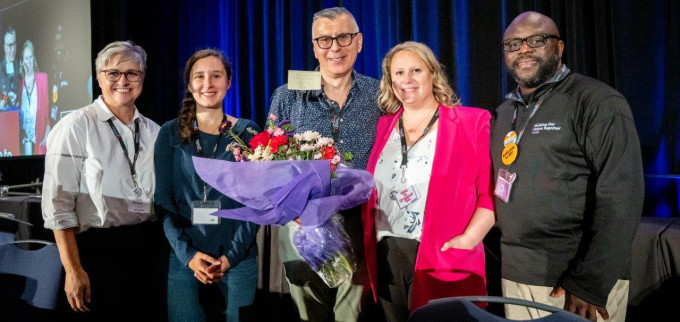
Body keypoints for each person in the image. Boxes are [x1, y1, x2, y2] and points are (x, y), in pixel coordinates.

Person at [491, 11, 644, 322]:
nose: (524, 49)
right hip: (517, 275)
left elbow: (622, 196)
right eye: (513, 44)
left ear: (559, 48)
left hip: (575, 282)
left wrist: (589, 282)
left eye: (536, 40)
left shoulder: (597, 101)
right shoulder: (506, 111)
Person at [361, 41, 495, 321]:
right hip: (388, 253)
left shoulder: (472, 122)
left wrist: (469, 239)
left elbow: (489, 195)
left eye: (415, 70)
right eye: (398, 73)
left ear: (433, 74)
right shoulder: (384, 125)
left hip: (443, 255)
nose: (406, 80)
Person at [268, 6, 382, 322]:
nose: (334, 47)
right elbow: (269, 162)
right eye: (324, 40)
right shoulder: (288, 94)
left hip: (358, 224)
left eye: (343, 37)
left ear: (359, 42)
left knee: (353, 315)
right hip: (300, 226)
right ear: (314, 47)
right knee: (309, 315)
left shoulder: (380, 95)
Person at [42, 41, 165, 321]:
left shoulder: (154, 132)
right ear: (99, 78)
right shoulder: (75, 126)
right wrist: (73, 270)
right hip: (96, 254)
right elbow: (58, 206)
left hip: (147, 250)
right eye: (113, 73)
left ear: (142, 78)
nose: (123, 81)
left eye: (133, 73)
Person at [154, 49, 260, 322]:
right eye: (199, 76)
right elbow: (164, 201)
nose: (208, 83)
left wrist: (232, 257)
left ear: (229, 82)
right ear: (189, 85)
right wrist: (188, 255)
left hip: (238, 256)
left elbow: (255, 203)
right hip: (186, 256)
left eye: (216, 76)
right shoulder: (170, 132)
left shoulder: (248, 132)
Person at [19, 40, 49, 155]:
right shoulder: (19, 84)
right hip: (22, 145)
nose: (29, 61)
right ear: (22, 61)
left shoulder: (42, 79)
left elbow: (47, 115)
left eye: (31, 57)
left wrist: (46, 137)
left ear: (34, 59)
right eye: (26, 58)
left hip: (39, 143)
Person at [0, 26, 19, 110]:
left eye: (14, 44)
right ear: (4, 47)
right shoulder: (0, 69)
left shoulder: (20, 66)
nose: (13, 49)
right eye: (10, 45)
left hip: (20, 117)